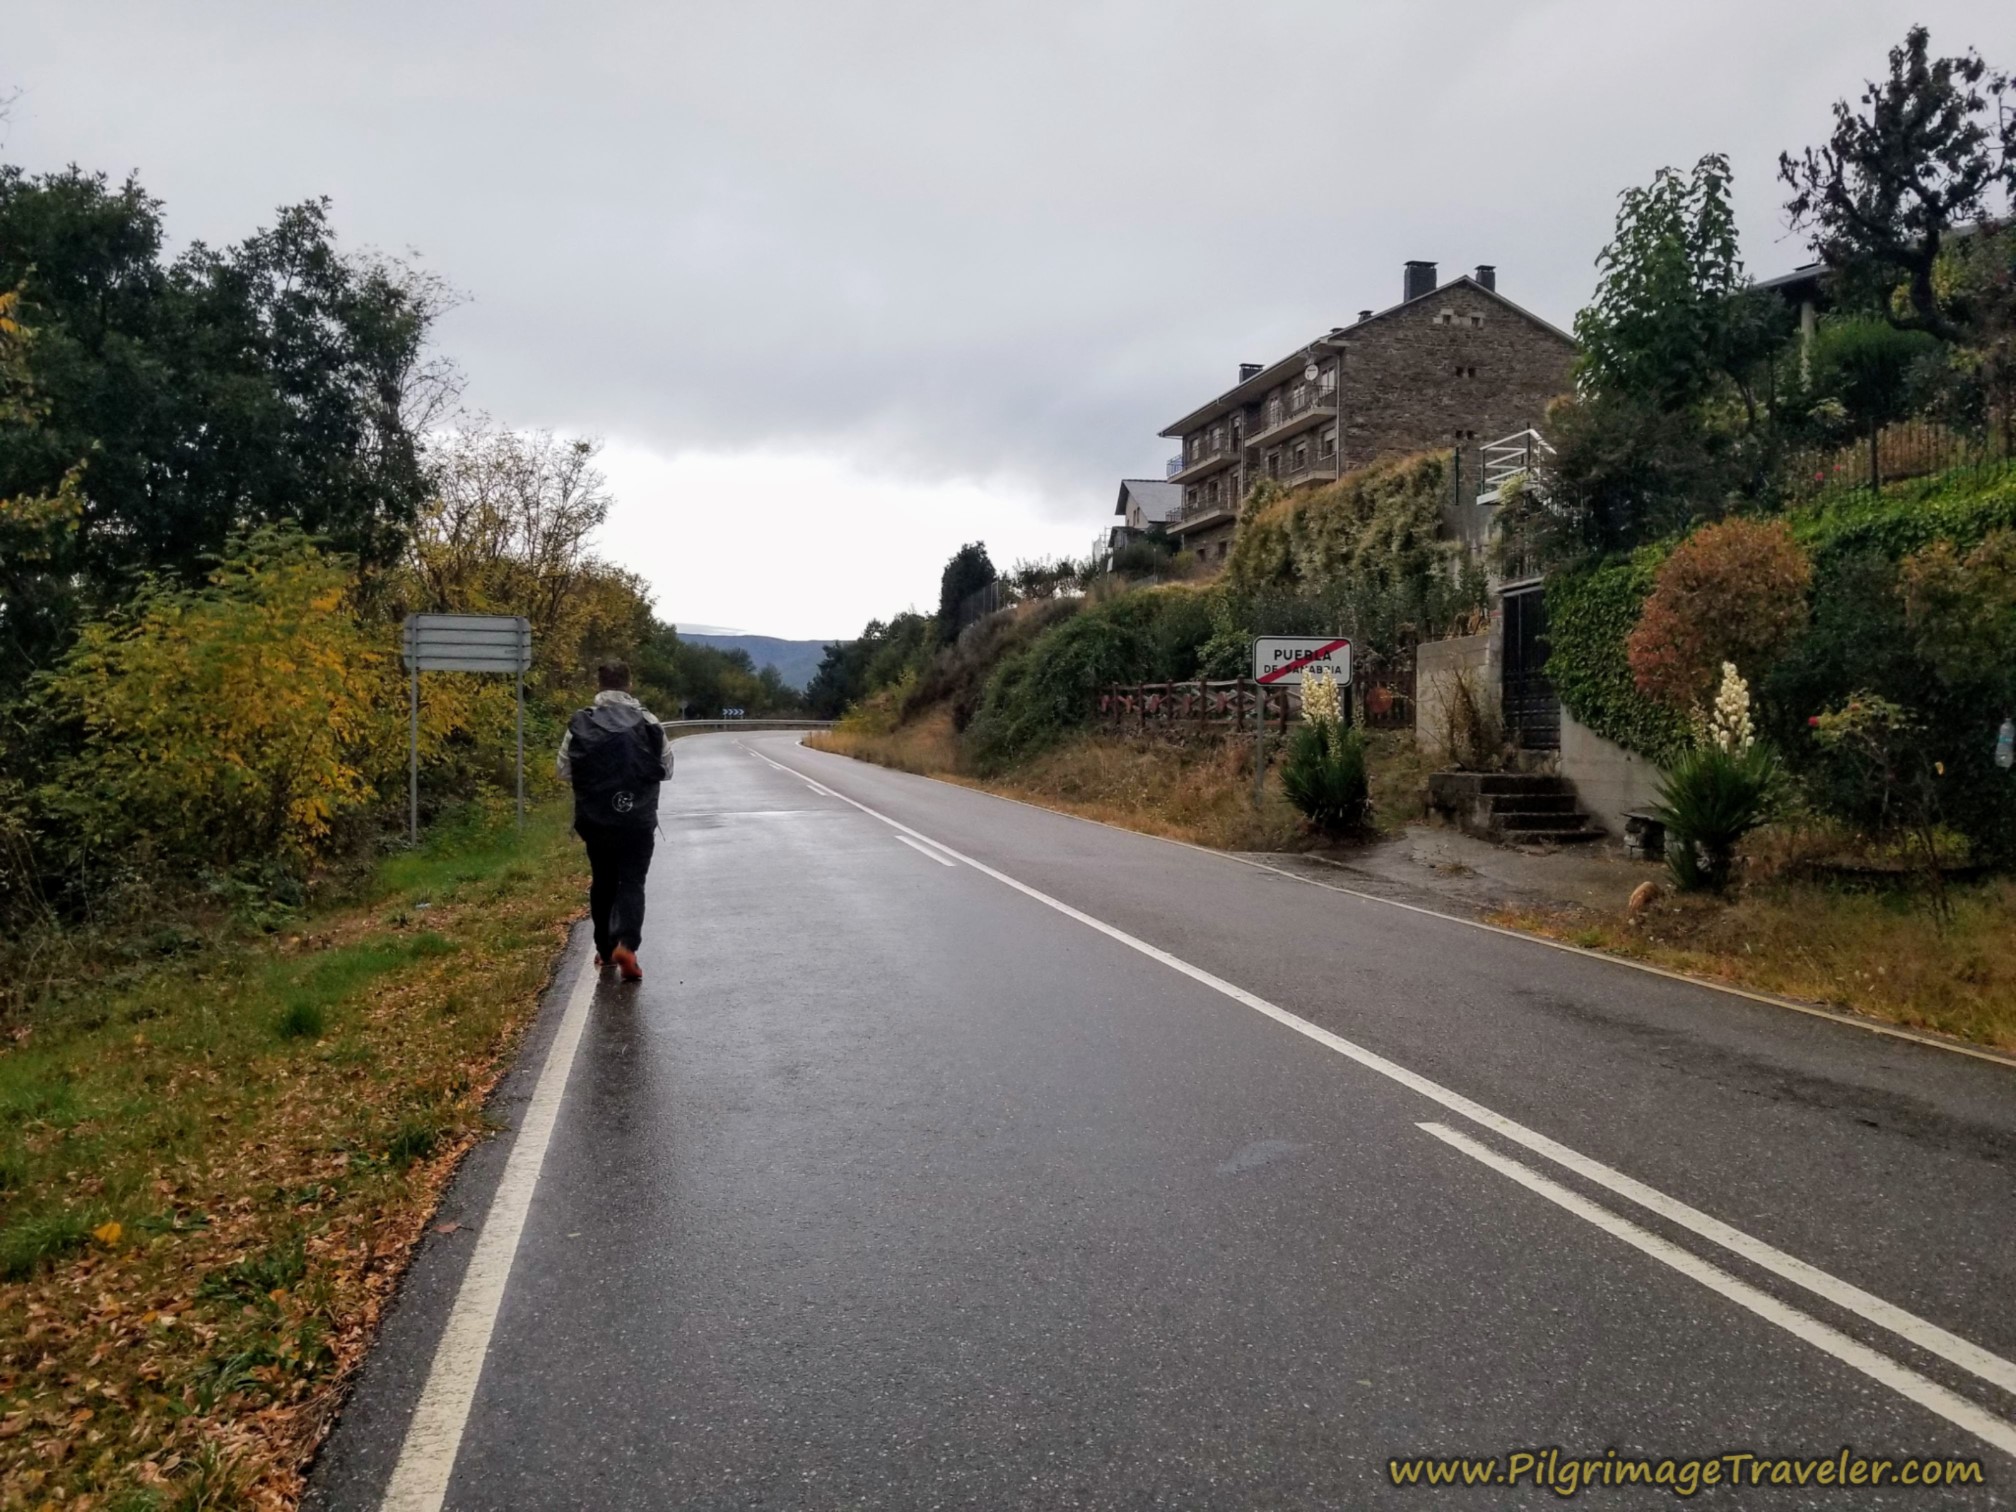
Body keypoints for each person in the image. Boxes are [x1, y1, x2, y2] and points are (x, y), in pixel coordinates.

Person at [556, 661, 673, 981]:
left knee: (603, 880)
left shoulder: (581, 722)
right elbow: (667, 769)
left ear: (599, 685)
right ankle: (627, 946)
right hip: (637, 818)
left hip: (596, 819)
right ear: (629, 685)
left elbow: (563, 770)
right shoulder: (649, 721)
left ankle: (606, 951)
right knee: (632, 881)